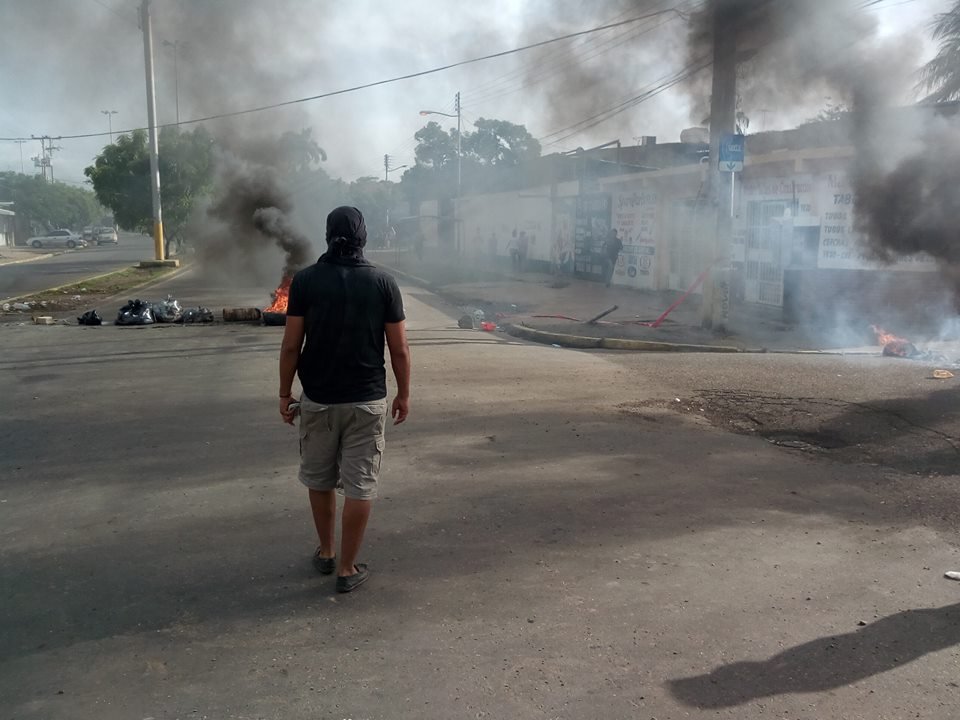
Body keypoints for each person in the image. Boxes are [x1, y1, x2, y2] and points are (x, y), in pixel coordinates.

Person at [279, 206, 411, 594]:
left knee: (319, 478)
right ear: (364, 238)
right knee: (360, 483)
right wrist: (404, 393)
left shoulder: (304, 282)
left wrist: (285, 393)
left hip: (317, 399)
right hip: (367, 400)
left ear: (326, 235)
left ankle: (325, 551)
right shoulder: (383, 283)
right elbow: (399, 349)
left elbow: (291, 346)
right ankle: (348, 569)